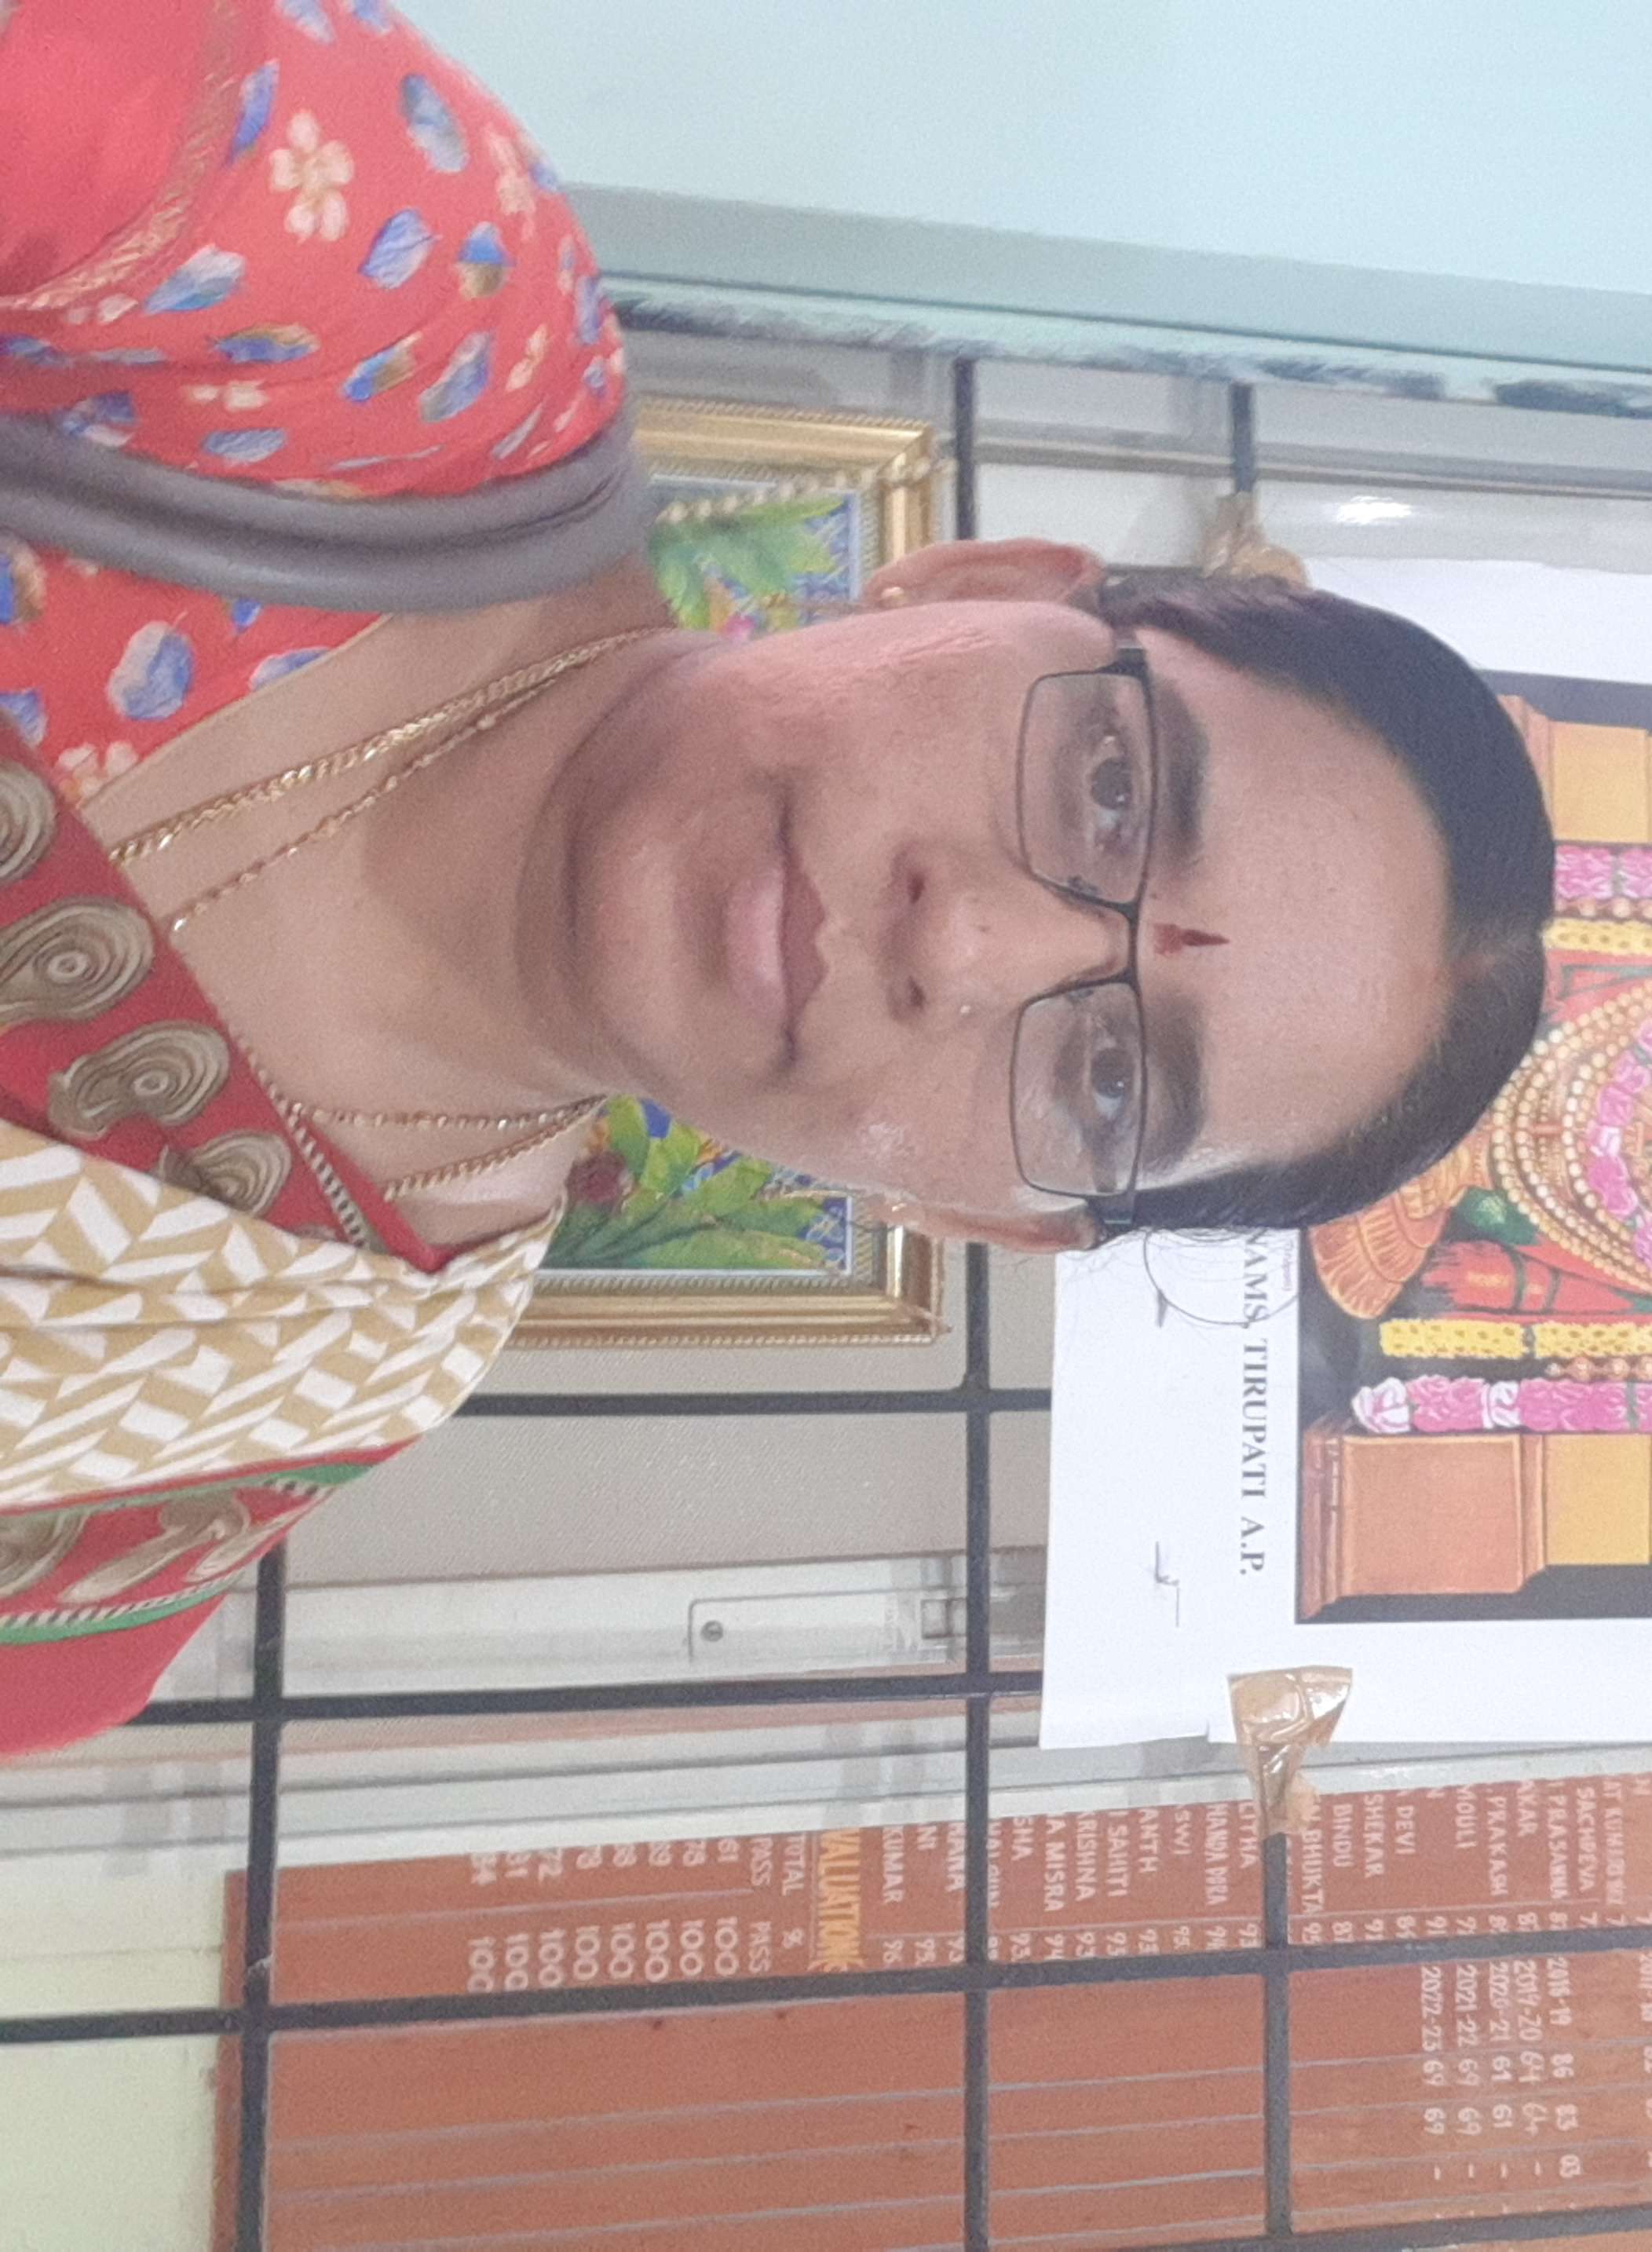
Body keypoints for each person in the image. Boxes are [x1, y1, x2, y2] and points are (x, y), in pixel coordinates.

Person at [0, 0, 1554, 1751]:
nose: (972, 941)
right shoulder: (383, 305)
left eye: (1111, 1076)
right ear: (973, 583)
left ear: (987, 1221)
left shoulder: (144, 1499)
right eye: (1113, 791)